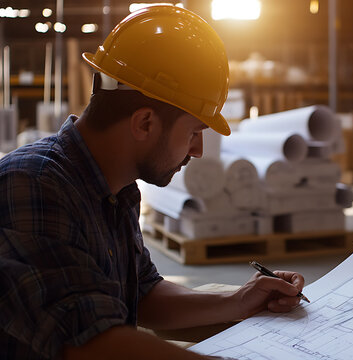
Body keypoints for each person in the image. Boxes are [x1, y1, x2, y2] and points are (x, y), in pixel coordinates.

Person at [0, 6, 305, 360]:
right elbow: (91, 344)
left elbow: (143, 295)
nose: (199, 150)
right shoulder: (33, 184)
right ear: (145, 123)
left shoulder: (117, 189)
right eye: (193, 131)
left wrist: (240, 299)